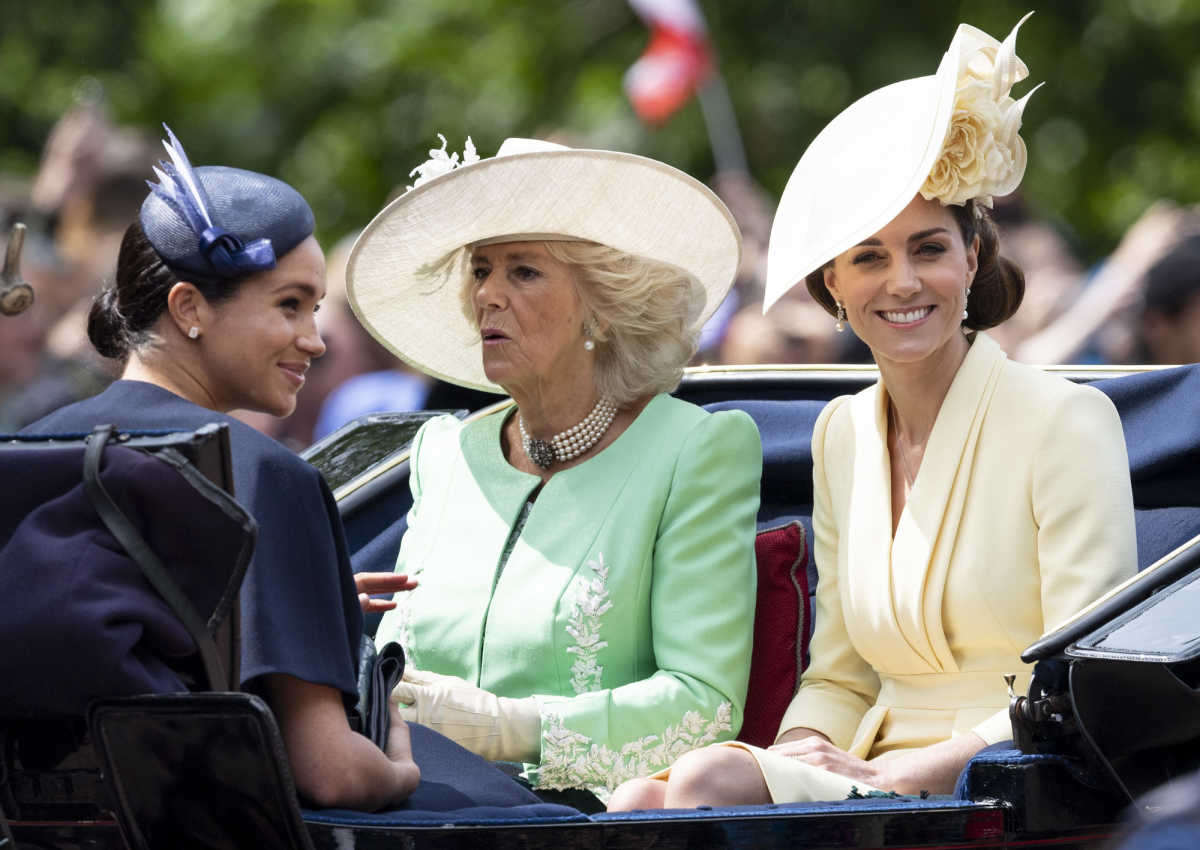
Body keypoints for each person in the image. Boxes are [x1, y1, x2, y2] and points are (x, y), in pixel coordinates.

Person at [608, 15, 1138, 810]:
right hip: (867, 770)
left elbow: (1079, 681)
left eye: (929, 248)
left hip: (1009, 774)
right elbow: (839, 676)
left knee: (700, 783)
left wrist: (901, 775)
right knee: (637, 800)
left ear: (971, 258)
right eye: (868, 258)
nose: (903, 282)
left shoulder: (1067, 420)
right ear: (834, 288)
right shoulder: (842, 432)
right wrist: (798, 754)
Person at [350, 136, 762, 800]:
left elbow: (704, 705)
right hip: (412, 806)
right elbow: (392, 673)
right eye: (481, 269)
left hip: (577, 817)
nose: (488, 294)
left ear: (601, 306)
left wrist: (508, 727)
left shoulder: (695, 449)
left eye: (523, 271)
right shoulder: (443, 452)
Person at [23, 128, 420, 810]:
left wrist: (295, 600)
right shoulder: (265, 474)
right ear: (189, 308)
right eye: (289, 304)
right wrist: (401, 766)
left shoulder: (32, 446)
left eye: (315, 309)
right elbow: (330, 773)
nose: (315, 340)